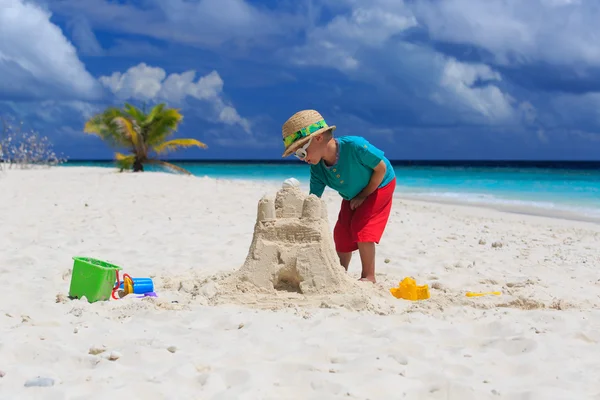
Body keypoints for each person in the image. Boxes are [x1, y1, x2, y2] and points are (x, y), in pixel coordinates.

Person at [281, 109, 396, 283]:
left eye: (301, 152)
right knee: (341, 232)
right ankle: (340, 272)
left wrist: (365, 195)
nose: (302, 158)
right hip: (353, 193)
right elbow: (314, 200)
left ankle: (368, 276)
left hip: (379, 183)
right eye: (298, 155)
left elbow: (381, 168)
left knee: (361, 226)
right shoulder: (318, 169)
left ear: (318, 138)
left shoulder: (355, 146)